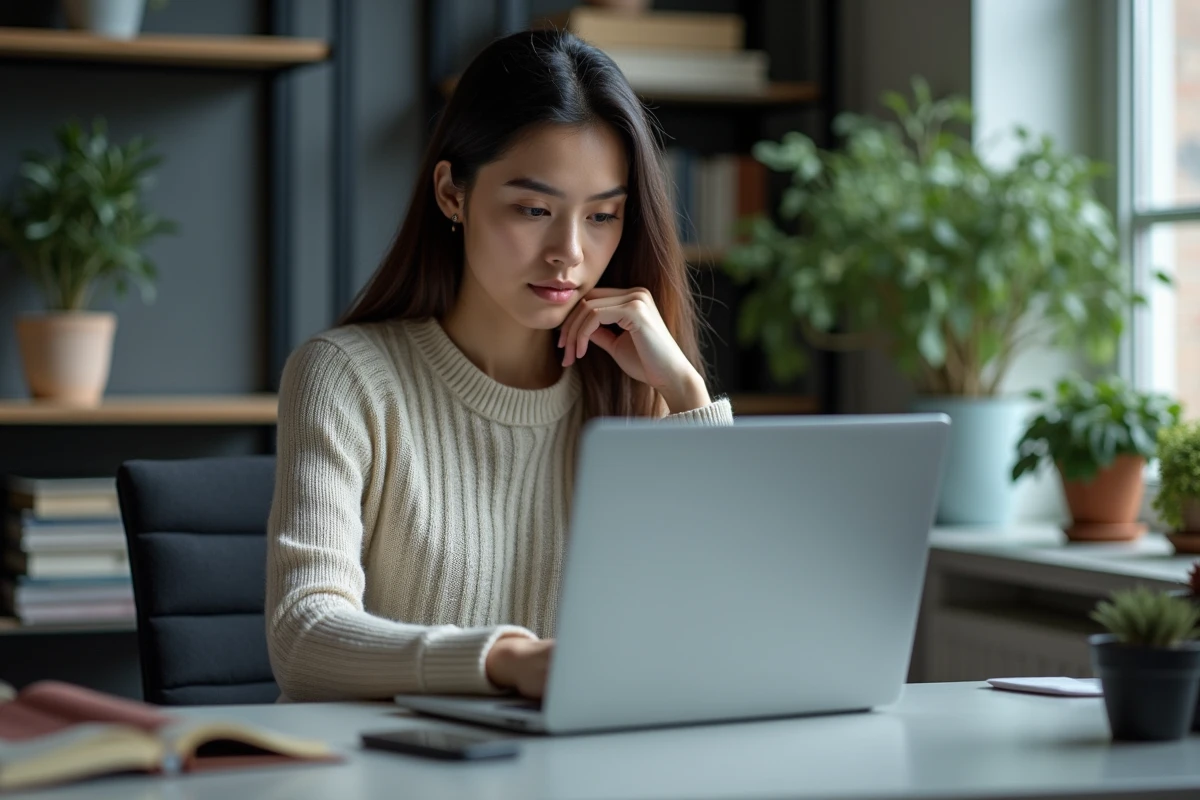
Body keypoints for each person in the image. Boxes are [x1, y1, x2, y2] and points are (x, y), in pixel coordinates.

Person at [265, 28, 734, 703]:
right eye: (533, 209)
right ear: (453, 194)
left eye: (603, 216)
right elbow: (303, 636)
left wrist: (686, 392)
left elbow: (721, 629)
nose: (568, 252)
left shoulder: (632, 397)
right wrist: (509, 660)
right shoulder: (345, 377)